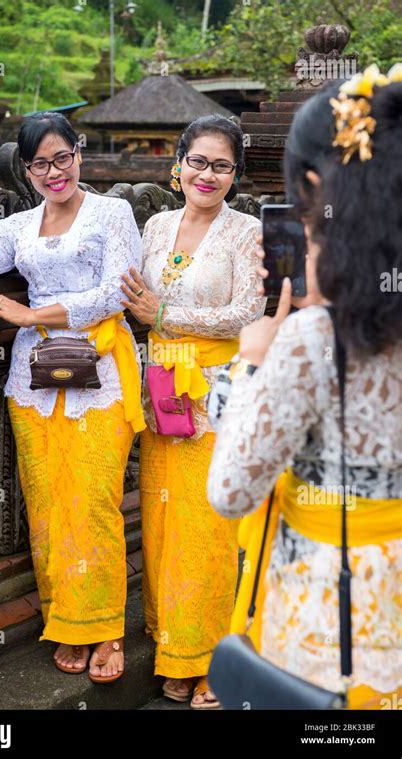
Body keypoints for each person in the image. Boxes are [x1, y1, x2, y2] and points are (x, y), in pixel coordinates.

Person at [208, 66, 402, 709]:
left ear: (314, 189)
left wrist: (252, 364)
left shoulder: (313, 339)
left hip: (328, 619)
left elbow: (231, 492)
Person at [0, 112, 145, 682]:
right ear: (27, 170)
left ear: (79, 154)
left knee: (95, 503)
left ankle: (107, 628)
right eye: (40, 163)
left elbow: (114, 291)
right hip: (34, 379)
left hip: (100, 371)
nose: (54, 172)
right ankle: (68, 622)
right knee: (48, 506)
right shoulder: (23, 225)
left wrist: (32, 313)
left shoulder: (112, 213)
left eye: (63, 158)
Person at [120, 115, 266, 708]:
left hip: (217, 393)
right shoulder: (154, 225)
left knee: (209, 530)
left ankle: (212, 658)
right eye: (198, 161)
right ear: (176, 165)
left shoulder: (248, 233)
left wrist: (163, 317)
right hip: (162, 395)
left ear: (234, 174)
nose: (208, 174)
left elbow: (248, 312)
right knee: (161, 525)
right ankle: (172, 643)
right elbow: (133, 299)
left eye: (222, 165)